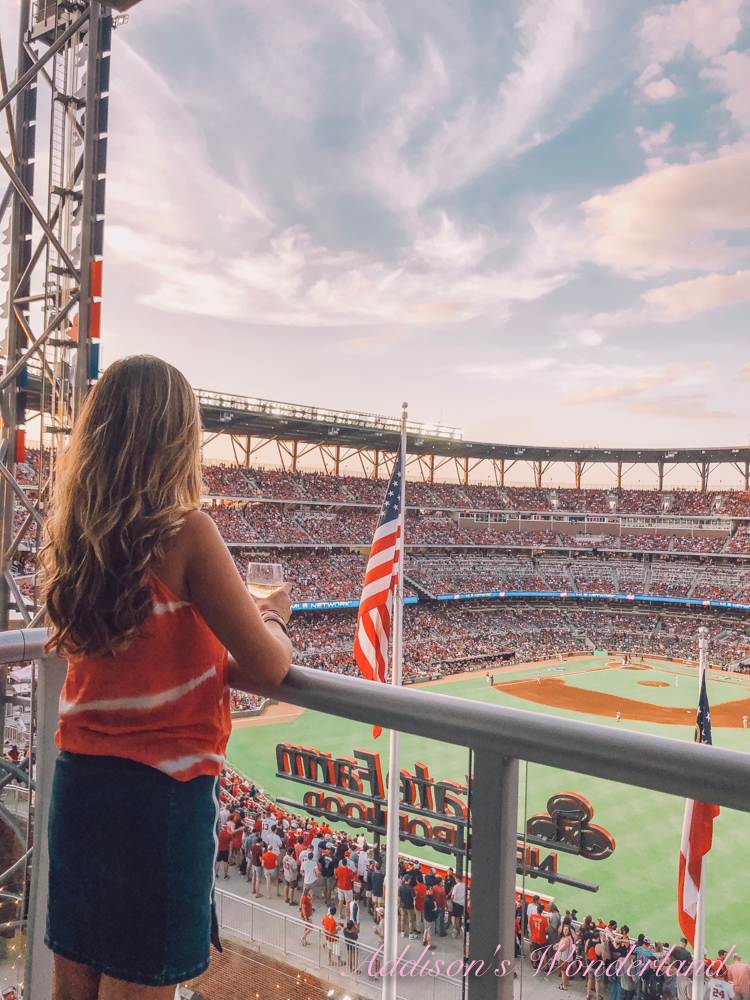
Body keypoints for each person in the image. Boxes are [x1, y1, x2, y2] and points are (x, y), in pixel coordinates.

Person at [40, 357, 293, 999]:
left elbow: (141, 651)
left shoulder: (79, 536)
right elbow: (267, 665)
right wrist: (276, 620)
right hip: (161, 798)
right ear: (176, 439)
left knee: (77, 984)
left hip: (80, 785)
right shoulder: (187, 533)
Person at [423, 887, 437, 951]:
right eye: (430, 891)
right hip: (430, 917)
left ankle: (424, 940)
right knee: (430, 932)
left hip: (426, 916)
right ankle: (429, 945)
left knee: (426, 928)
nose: (431, 892)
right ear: (427, 891)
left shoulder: (426, 897)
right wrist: (435, 907)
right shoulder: (429, 900)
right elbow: (432, 909)